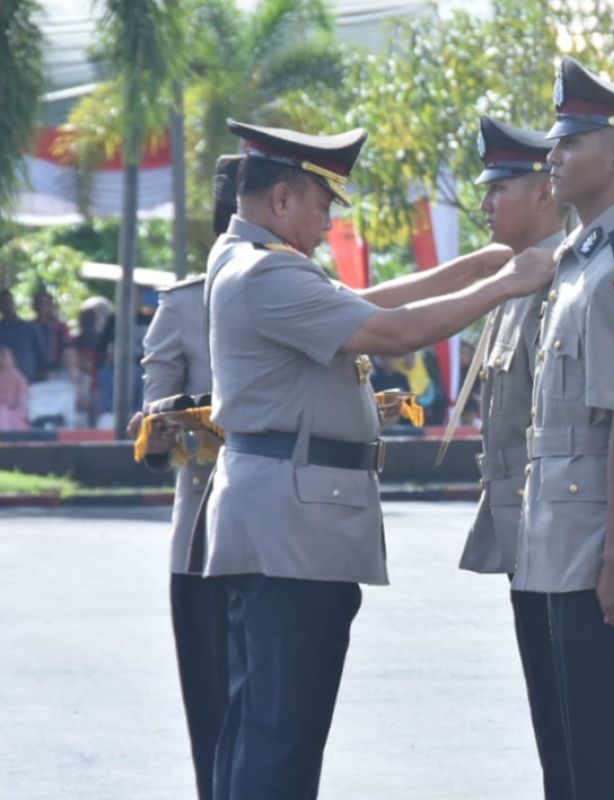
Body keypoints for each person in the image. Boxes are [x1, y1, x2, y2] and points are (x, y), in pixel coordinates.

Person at [195, 119, 553, 800]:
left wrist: (480, 266)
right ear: (281, 201)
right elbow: (392, 330)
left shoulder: (249, 262)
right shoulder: (266, 272)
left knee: (264, 725)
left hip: (281, 523)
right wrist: (509, 284)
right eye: (322, 206)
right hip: (290, 533)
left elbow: (368, 302)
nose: (328, 225)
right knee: (282, 734)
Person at [513, 57, 614, 799]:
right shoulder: (578, 261)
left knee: (613, 754)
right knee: (572, 756)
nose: (553, 155)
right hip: (559, 535)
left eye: (570, 142)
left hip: (596, 545)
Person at [457, 114, 571, 799]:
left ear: (545, 194)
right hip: (528, 533)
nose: (485, 203)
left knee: (584, 725)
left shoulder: (560, 280)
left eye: (500, 187)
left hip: (564, 532)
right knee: (555, 726)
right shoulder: (520, 280)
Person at [127, 154, 241, 800]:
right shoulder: (183, 304)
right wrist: (164, 424)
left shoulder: (307, 293)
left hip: (282, 533)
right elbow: (147, 439)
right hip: (202, 536)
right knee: (212, 713)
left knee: (276, 722)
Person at [0, 288, 47, 384]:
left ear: (13, 303)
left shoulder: (29, 328)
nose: (6, 305)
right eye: (3, 302)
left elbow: (41, 353)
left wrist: (42, 372)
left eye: (8, 302)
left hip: (30, 379)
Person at [33, 290, 72, 372]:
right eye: (40, 303)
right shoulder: (30, 328)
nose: (43, 307)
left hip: (57, 368)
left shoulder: (61, 327)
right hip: (35, 368)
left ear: (52, 306)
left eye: (47, 303)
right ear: (34, 306)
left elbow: (67, 348)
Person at [0, 345, 30, 432]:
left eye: (3, 357)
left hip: (15, 412)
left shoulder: (16, 376)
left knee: (3, 412)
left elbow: (24, 396)